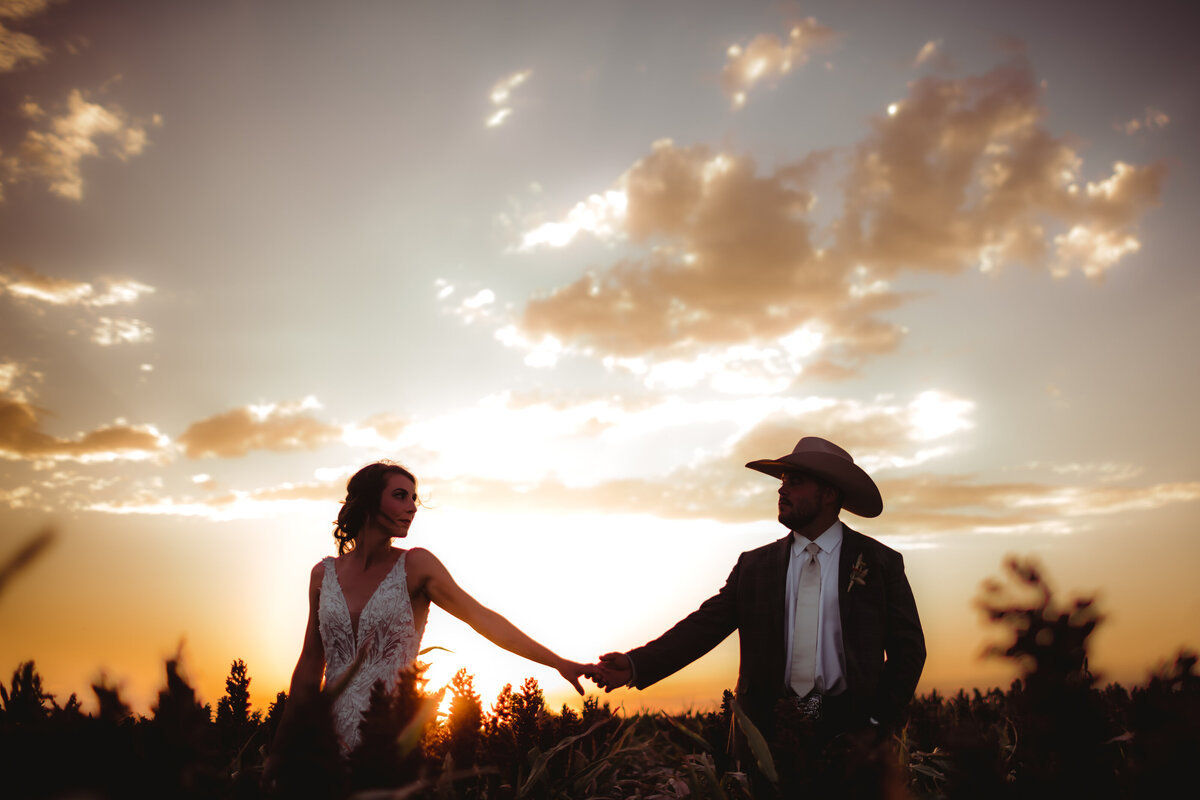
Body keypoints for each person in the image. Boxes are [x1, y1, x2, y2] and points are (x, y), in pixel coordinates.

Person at [593, 436, 925, 778]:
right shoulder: (754, 566)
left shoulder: (880, 563)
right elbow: (705, 626)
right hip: (765, 736)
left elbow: (908, 651)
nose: (782, 491)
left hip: (849, 734)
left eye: (795, 482)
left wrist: (874, 724)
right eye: (782, 483)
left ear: (830, 494)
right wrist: (635, 664)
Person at [272, 461, 595, 758]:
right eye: (400, 496)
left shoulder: (416, 565)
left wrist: (556, 662)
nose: (412, 508)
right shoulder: (322, 574)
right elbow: (311, 662)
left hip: (390, 735)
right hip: (324, 738)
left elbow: (482, 618)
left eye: (414, 499)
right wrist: (282, 749)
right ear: (369, 501)